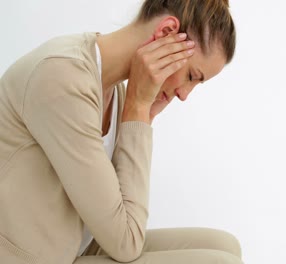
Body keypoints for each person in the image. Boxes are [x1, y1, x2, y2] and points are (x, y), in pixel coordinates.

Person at [0, 0, 242, 263]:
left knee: (225, 245)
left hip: (72, 245)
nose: (184, 94)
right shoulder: (62, 76)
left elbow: (119, 217)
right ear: (166, 33)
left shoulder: (114, 92)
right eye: (192, 76)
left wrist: (144, 113)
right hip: (30, 257)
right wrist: (138, 109)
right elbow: (125, 243)